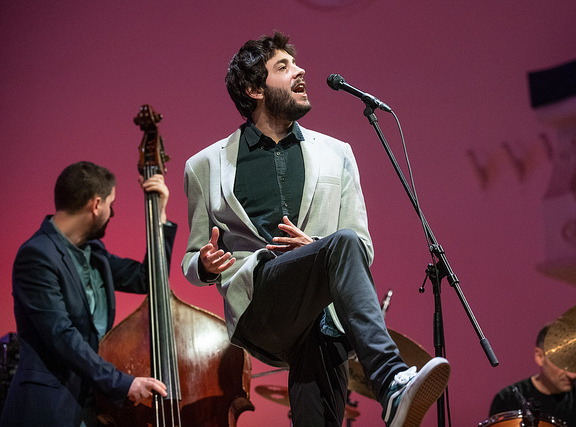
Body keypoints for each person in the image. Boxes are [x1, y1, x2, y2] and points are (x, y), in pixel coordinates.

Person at [181, 31, 450, 427]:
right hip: (262, 303)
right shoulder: (205, 166)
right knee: (338, 246)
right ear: (254, 89)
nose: (300, 70)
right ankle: (391, 380)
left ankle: (387, 390)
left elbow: (360, 245)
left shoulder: (337, 153)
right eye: (283, 66)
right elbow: (190, 260)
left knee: (319, 417)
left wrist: (316, 249)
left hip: (321, 317)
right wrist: (205, 264)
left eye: (296, 62)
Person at [0, 161, 174, 427]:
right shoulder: (36, 256)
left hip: (91, 408)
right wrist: (123, 383)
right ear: (95, 205)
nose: (111, 212)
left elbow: (146, 279)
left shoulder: (95, 253)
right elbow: (62, 335)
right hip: (47, 410)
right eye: (110, 204)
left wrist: (159, 214)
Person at [488, 324, 576, 427]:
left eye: (575, 364)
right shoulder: (507, 400)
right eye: (563, 363)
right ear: (540, 357)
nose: (572, 375)